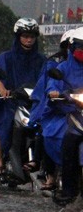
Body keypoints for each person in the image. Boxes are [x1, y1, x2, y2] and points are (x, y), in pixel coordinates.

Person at [0, 18, 46, 174]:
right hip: (11, 101)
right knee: (4, 120)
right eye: (25, 36)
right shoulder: (6, 57)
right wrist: (2, 89)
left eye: (32, 36)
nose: (29, 39)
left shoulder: (42, 59)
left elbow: (46, 79)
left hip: (34, 102)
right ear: (18, 37)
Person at [30, 30, 75, 190]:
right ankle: (50, 175)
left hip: (79, 112)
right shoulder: (57, 66)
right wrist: (54, 93)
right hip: (59, 110)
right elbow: (49, 86)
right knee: (49, 133)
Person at [46, 28, 83, 205]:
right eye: (80, 48)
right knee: (70, 143)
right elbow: (53, 84)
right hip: (73, 113)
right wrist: (54, 92)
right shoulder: (63, 67)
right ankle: (68, 190)